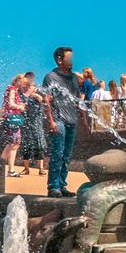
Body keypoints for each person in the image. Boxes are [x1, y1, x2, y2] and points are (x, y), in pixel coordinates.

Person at [42, 47, 82, 197]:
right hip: (58, 120)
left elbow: (77, 99)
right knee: (57, 154)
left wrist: (83, 119)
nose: (71, 62)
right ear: (59, 60)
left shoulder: (73, 78)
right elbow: (46, 101)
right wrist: (51, 121)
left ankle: (62, 184)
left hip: (72, 120)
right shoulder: (50, 77)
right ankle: (53, 187)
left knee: (67, 155)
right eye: (68, 58)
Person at [0, 75, 29, 176]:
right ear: (18, 81)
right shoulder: (12, 90)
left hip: (14, 119)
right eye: (23, 83)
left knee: (15, 144)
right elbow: (11, 104)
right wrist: (20, 107)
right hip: (12, 119)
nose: (24, 85)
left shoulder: (14, 90)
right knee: (11, 143)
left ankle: (11, 170)